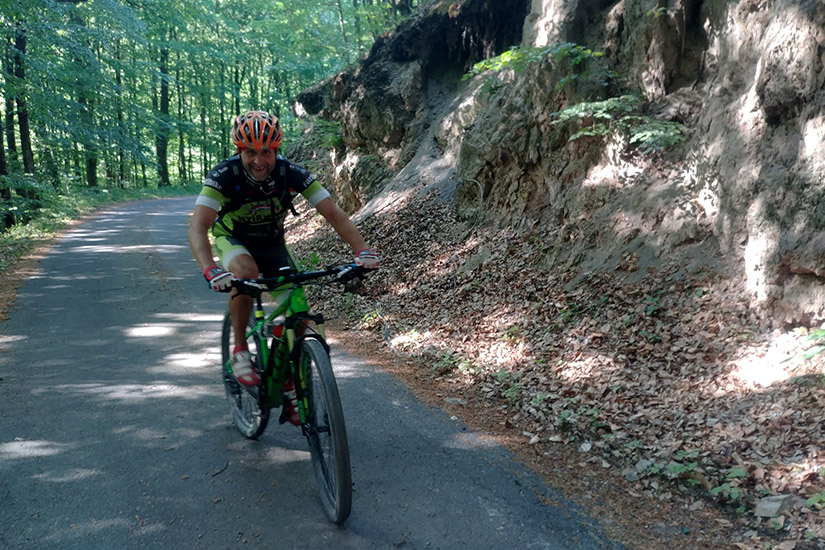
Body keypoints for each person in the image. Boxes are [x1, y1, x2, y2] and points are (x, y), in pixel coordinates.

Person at [188, 111, 378, 420]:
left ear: (277, 150)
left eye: (267, 151)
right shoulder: (224, 175)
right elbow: (198, 227)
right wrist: (211, 268)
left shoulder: (292, 173)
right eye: (251, 152)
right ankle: (239, 350)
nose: (259, 160)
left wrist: (362, 251)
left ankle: (293, 381)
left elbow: (334, 213)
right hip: (233, 240)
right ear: (240, 151)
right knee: (246, 274)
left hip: (272, 244)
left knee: (299, 310)